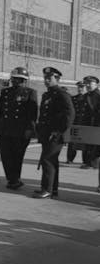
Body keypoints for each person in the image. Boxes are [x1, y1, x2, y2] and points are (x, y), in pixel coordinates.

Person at [0, 67, 38, 190]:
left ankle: (14, 179)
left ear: (24, 80)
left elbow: (33, 114)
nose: (16, 81)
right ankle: (12, 179)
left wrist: (30, 129)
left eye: (19, 79)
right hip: (6, 129)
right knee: (6, 155)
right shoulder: (5, 92)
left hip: (21, 130)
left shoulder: (30, 92)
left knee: (17, 156)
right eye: (15, 79)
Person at [33, 67, 74, 199]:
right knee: (52, 161)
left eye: (49, 78)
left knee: (47, 160)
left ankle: (47, 189)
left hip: (56, 134)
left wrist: (59, 131)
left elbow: (70, 114)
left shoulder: (62, 94)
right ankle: (52, 189)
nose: (46, 81)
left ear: (56, 79)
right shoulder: (47, 94)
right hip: (47, 133)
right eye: (45, 78)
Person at [80, 75, 100, 169]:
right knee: (87, 144)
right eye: (86, 83)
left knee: (95, 145)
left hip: (96, 125)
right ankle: (87, 162)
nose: (87, 85)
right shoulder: (85, 96)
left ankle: (93, 163)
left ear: (96, 84)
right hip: (86, 124)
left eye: (90, 83)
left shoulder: (98, 96)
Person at [66, 81, 88, 165]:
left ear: (85, 88)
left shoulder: (88, 98)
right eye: (79, 87)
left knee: (85, 143)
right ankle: (70, 158)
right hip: (75, 123)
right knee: (72, 142)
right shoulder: (73, 98)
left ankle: (85, 161)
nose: (80, 89)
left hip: (84, 123)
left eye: (82, 87)